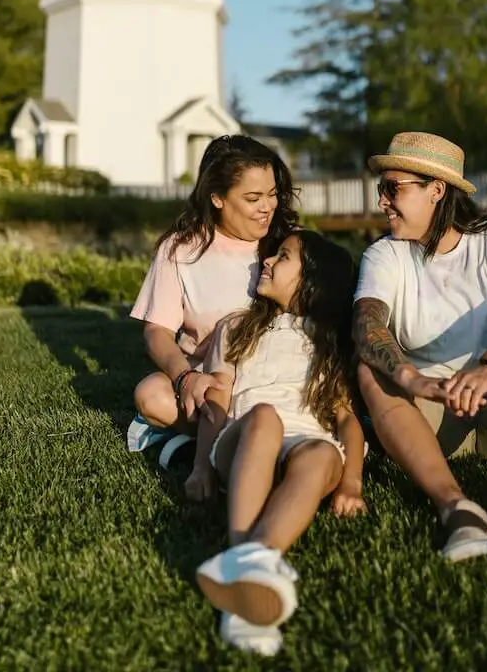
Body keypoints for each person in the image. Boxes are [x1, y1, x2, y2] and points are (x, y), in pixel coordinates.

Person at [353, 132, 487, 568]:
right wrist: (415, 380)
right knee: (369, 366)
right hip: (429, 420)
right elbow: (366, 324)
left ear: (436, 190)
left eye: (393, 188)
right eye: (382, 189)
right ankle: (456, 508)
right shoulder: (385, 255)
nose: (382, 202)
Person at [193, 229, 367, 656]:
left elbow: (347, 421)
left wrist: (352, 483)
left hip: (307, 439)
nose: (267, 261)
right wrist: (201, 466)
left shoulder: (330, 344)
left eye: (283, 257)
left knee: (324, 451)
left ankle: (254, 566)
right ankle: (242, 556)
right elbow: (217, 400)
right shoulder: (236, 328)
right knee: (265, 417)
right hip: (246, 435)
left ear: (311, 281)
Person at [127, 134, 299, 477]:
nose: (267, 207)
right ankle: (235, 445)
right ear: (217, 197)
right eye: (252, 198)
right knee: (151, 395)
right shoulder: (182, 250)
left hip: (275, 380)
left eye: (271, 194)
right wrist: (185, 378)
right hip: (210, 386)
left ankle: (210, 446)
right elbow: (157, 331)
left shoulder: (290, 246)